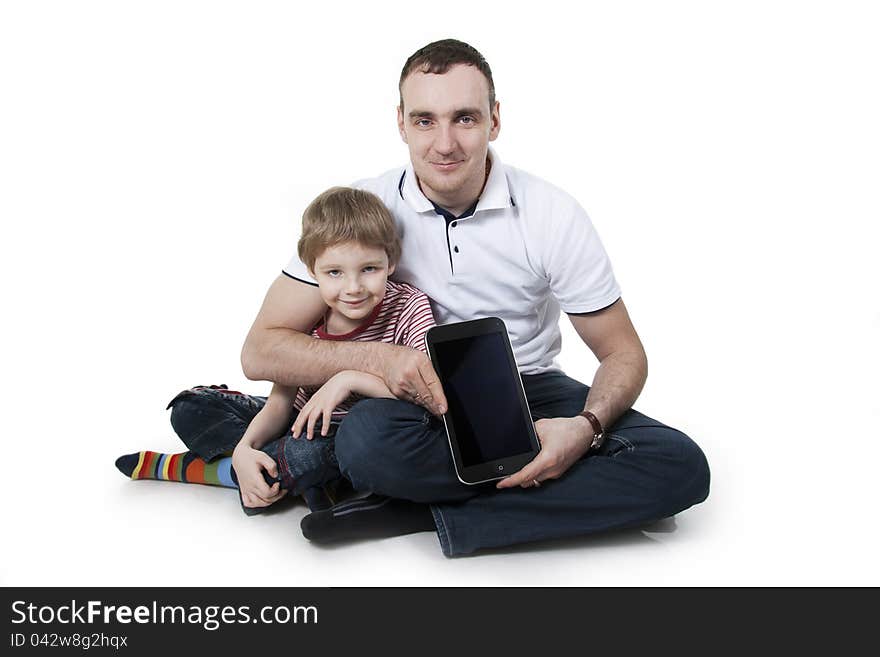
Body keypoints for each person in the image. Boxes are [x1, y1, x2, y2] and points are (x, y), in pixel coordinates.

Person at [219, 38, 709, 556]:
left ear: (495, 120)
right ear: (401, 122)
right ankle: (557, 498)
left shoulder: (551, 213)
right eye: (425, 120)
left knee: (679, 465)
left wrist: (583, 430)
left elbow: (622, 352)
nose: (445, 143)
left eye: (465, 118)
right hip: (414, 403)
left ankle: (420, 509)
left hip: (529, 389)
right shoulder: (362, 212)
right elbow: (261, 351)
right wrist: (379, 357)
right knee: (365, 441)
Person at [115, 186, 437, 523]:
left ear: (391, 263)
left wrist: (350, 379)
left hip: (351, 437)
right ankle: (250, 467)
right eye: (335, 273)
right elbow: (281, 402)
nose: (353, 288)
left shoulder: (407, 307)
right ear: (311, 272)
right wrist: (246, 448)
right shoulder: (309, 314)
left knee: (303, 456)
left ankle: (200, 469)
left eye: (369, 269)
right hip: (295, 424)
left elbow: (424, 395)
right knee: (190, 407)